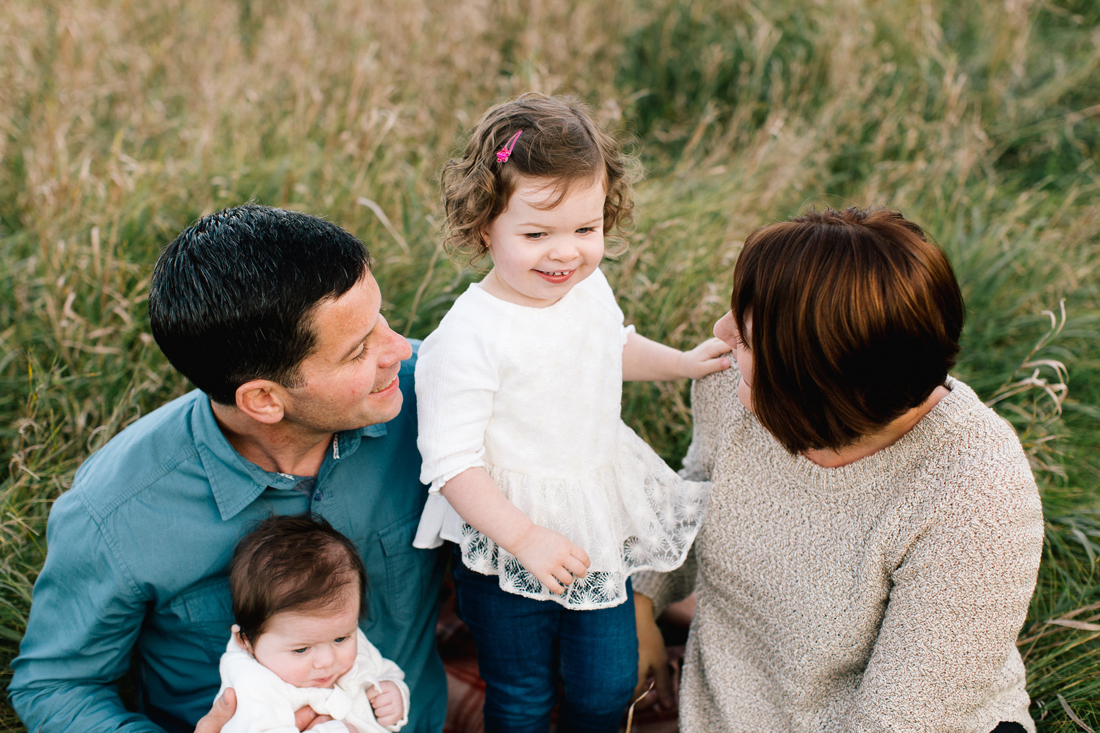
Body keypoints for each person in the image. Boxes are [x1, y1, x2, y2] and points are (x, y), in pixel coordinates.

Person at [9, 205, 448, 733]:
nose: (397, 349)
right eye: (358, 351)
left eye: (380, 319)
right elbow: (55, 687)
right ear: (263, 399)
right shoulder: (116, 510)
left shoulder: (440, 398)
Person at [632, 207, 1045, 733]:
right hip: (731, 703)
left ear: (814, 379)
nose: (721, 329)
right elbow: (696, 492)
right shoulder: (732, 388)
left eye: (751, 334)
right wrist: (642, 601)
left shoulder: (976, 490)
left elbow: (903, 719)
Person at [411, 92, 730, 732]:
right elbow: (450, 464)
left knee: (606, 683)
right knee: (523, 690)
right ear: (483, 229)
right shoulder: (468, 337)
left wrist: (681, 362)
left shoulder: (585, 287)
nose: (565, 253)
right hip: (507, 537)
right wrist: (524, 538)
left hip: (592, 514)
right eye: (536, 234)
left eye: (586, 230)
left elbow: (608, 346)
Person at [217, 514, 407, 733]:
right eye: (301, 649)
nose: (327, 661)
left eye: (340, 639)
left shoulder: (348, 640)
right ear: (246, 641)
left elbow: (384, 671)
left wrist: (394, 693)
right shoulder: (251, 683)